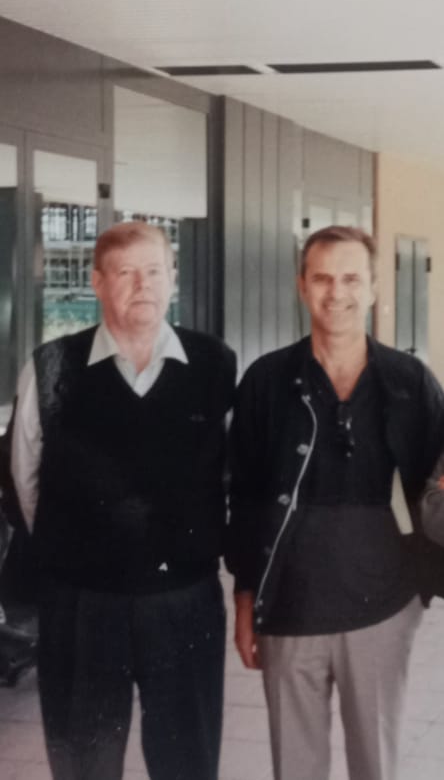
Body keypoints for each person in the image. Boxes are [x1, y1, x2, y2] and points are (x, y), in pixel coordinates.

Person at [11, 221, 236, 780]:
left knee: (188, 760)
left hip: (184, 601)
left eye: (154, 271)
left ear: (173, 278)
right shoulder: (51, 366)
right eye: (125, 272)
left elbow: (233, 475)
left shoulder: (215, 365)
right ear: (97, 282)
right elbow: (24, 478)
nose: (143, 285)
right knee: (83, 761)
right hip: (82, 607)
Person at [226, 225, 444, 780]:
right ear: (302, 285)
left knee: (377, 764)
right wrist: (245, 601)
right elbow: (245, 500)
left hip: (383, 609)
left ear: (373, 288)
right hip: (288, 606)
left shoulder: (410, 382)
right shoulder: (266, 381)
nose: (337, 292)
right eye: (322, 278)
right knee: (296, 768)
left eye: (351, 279)